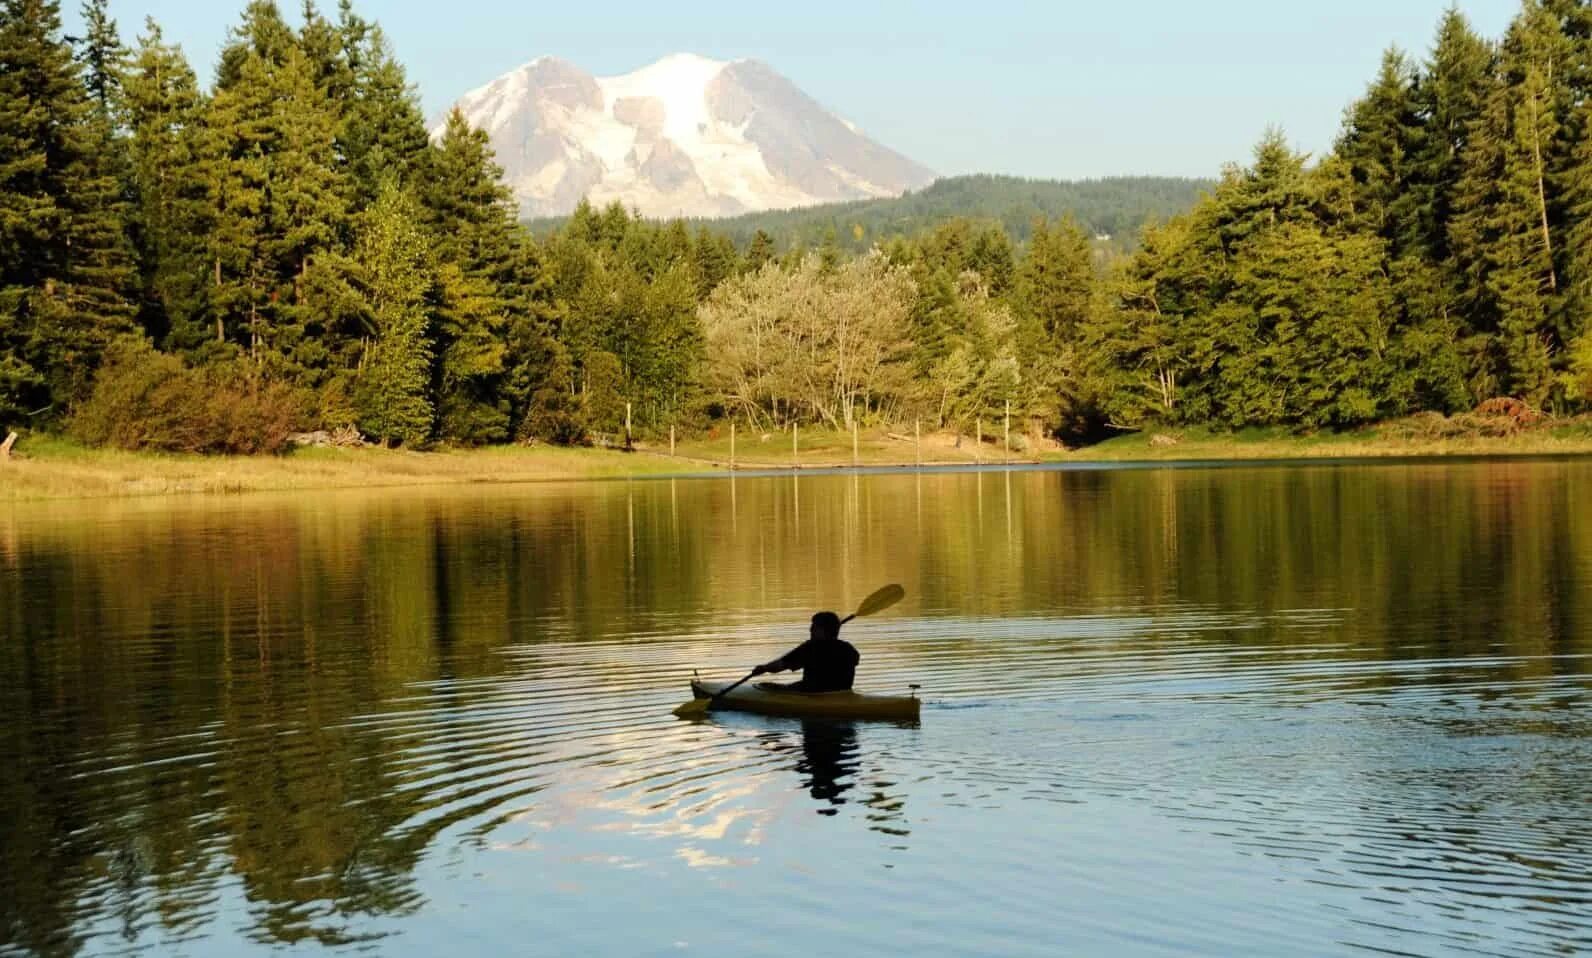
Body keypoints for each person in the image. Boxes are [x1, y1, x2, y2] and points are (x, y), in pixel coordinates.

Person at [751, 611, 859, 693]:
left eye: (814, 626)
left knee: (765, 686)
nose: (810, 629)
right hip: (842, 694)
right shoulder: (849, 649)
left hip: (812, 694)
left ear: (822, 630)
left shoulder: (810, 648)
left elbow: (778, 667)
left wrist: (763, 668)